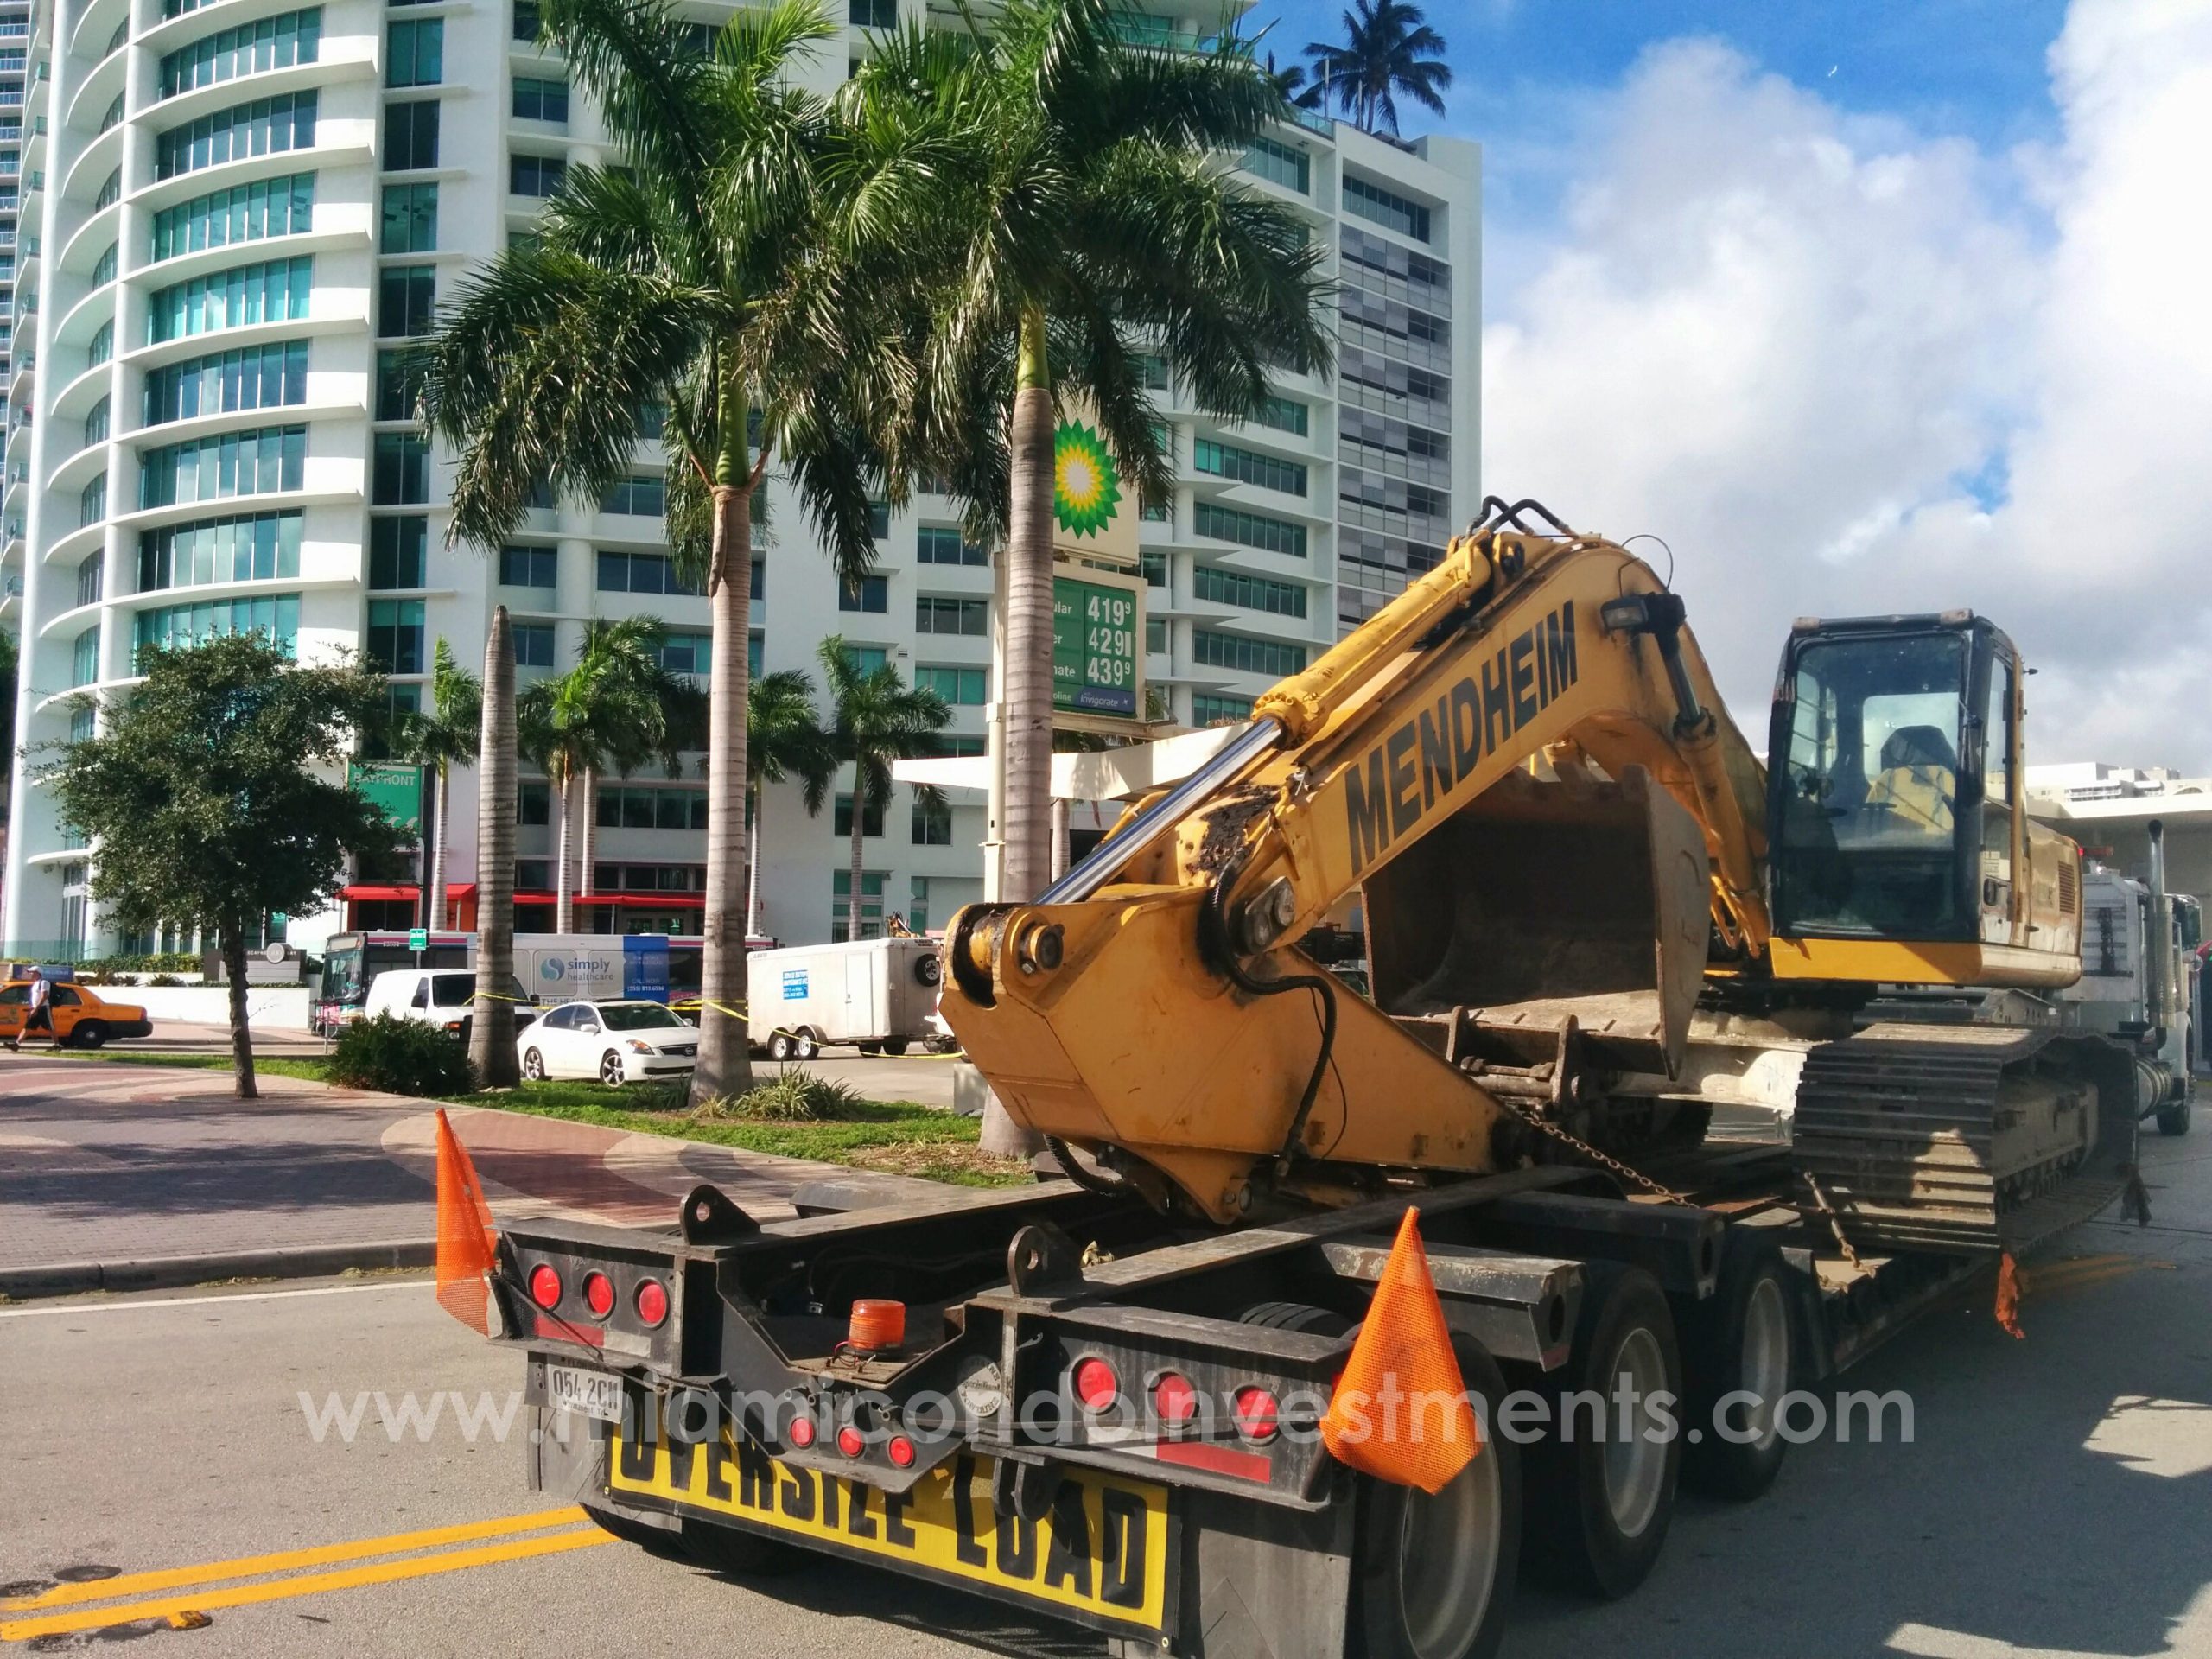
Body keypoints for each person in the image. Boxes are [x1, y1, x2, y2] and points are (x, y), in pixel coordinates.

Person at [6, 965, 57, 1052]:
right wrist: (33, 1008)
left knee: (50, 1027)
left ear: (37, 973)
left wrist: (36, 1009)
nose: (30, 974)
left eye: (31, 972)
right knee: (28, 1026)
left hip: (43, 1008)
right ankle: (17, 1044)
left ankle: (57, 1045)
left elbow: (44, 997)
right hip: (35, 1008)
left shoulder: (44, 982)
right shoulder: (35, 984)